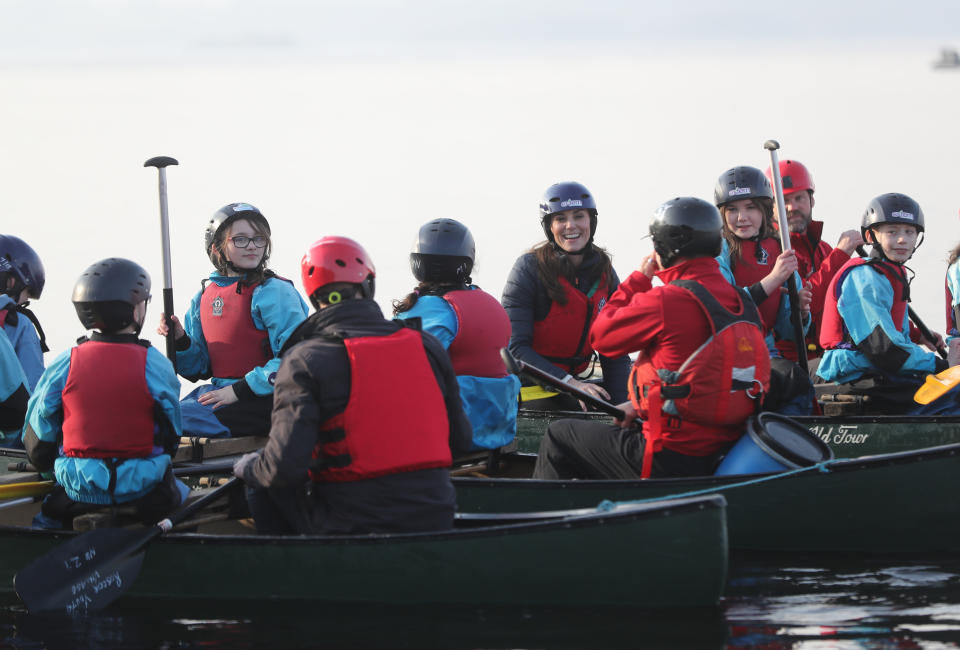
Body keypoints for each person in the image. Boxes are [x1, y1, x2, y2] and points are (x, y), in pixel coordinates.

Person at [233, 236, 472, 535]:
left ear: (314, 299)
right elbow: (461, 442)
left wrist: (248, 468)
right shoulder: (427, 345)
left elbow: (283, 469)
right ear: (369, 286)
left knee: (261, 482)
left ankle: (293, 572)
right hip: (434, 516)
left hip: (350, 525)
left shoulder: (303, 360)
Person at [533, 197, 770, 480]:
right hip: (723, 450)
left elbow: (601, 337)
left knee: (559, 435)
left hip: (666, 455)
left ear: (663, 248)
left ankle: (553, 520)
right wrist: (638, 405)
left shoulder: (667, 300)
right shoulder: (743, 302)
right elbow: (710, 379)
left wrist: (639, 279)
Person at [23, 258, 187, 529]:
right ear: (135, 311)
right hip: (143, 490)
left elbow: (37, 437)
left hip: (78, 490)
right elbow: (171, 433)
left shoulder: (66, 362)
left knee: (46, 519)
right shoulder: (156, 364)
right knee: (183, 497)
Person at [158, 203, 309, 437]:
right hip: (220, 395)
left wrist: (239, 390)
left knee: (168, 423)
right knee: (157, 414)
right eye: (240, 239)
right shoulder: (204, 297)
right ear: (217, 248)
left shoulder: (274, 292)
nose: (252, 246)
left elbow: (297, 359)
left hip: (268, 400)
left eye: (258, 239)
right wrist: (180, 341)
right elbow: (198, 367)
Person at [393, 218, 520, 451]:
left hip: (449, 437)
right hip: (497, 434)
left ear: (416, 263)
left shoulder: (430, 309)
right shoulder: (492, 305)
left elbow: (397, 373)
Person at [818, 193, 951, 414]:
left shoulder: (891, 273)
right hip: (855, 375)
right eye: (892, 232)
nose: (902, 239)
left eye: (909, 232)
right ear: (871, 236)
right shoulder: (864, 278)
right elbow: (883, 348)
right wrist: (941, 367)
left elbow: (891, 328)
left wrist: (918, 335)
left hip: (878, 371)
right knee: (947, 397)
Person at [501, 181, 630, 410]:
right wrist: (569, 384)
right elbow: (516, 350)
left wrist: (621, 408)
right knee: (578, 412)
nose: (571, 225)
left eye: (579, 216)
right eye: (561, 219)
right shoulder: (528, 269)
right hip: (528, 387)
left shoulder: (605, 272)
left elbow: (615, 350)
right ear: (550, 226)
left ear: (591, 221)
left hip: (577, 384)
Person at [714, 165, 814, 415]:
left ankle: (795, 440)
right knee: (791, 380)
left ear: (765, 209)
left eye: (750, 208)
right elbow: (726, 308)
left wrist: (800, 311)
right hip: (726, 353)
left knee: (798, 382)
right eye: (733, 210)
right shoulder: (719, 250)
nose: (742, 217)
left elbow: (789, 331)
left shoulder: (780, 248)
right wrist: (773, 279)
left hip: (766, 349)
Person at [763, 160, 863, 363]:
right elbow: (806, 299)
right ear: (770, 208)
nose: (792, 207)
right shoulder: (769, 251)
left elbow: (856, 302)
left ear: (812, 200)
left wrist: (917, 335)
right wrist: (841, 254)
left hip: (824, 355)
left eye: (799, 198)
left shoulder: (823, 249)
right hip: (785, 361)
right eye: (783, 201)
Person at [0, 235, 48, 391]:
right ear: (11, 282)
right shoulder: (19, 323)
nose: (26, 301)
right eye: (27, 294)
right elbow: (35, 392)